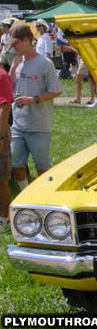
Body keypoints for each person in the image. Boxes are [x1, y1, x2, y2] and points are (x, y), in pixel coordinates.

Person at [6, 24, 62, 191]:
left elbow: (56, 91)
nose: (13, 47)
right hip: (18, 124)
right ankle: (26, 192)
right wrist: (14, 67)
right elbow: (8, 88)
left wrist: (33, 99)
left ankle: (43, 195)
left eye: (16, 43)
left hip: (39, 124)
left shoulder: (45, 63)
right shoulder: (17, 62)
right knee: (14, 164)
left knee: (42, 167)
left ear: (27, 40)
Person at [0, 66, 13, 233]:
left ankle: (4, 219)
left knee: (1, 178)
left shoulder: (2, 75)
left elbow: (4, 108)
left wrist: (1, 137)